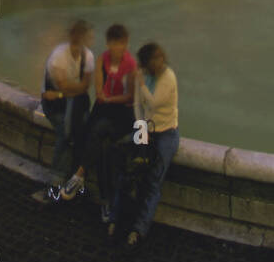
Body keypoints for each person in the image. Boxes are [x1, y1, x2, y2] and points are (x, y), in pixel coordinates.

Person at [59, 24, 136, 215]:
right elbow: (99, 89)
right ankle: (104, 201)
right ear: (109, 43)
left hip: (122, 112)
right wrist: (105, 97)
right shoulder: (103, 59)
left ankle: (79, 176)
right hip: (104, 107)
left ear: (125, 44)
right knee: (87, 134)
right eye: (113, 44)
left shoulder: (131, 64)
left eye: (120, 44)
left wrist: (109, 98)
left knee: (99, 134)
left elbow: (129, 97)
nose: (117, 48)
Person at [108, 41, 179, 248]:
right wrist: (141, 129)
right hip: (145, 129)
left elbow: (154, 102)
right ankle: (114, 217)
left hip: (166, 133)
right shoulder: (144, 73)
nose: (155, 64)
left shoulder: (168, 77)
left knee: (153, 181)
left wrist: (139, 84)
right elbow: (139, 104)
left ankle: (139, 229)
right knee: (127, 171)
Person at [39, 21, 95, 201]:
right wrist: (70, 90)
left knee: (86, 131)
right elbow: (72, 86)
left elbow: (84, 86)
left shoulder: (89, 56)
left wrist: (62, 92)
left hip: (73, 102)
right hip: (55, 107)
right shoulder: (58, 56)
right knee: (65, 130)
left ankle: (74, 179)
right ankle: (55, 182)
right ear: (72, 37)